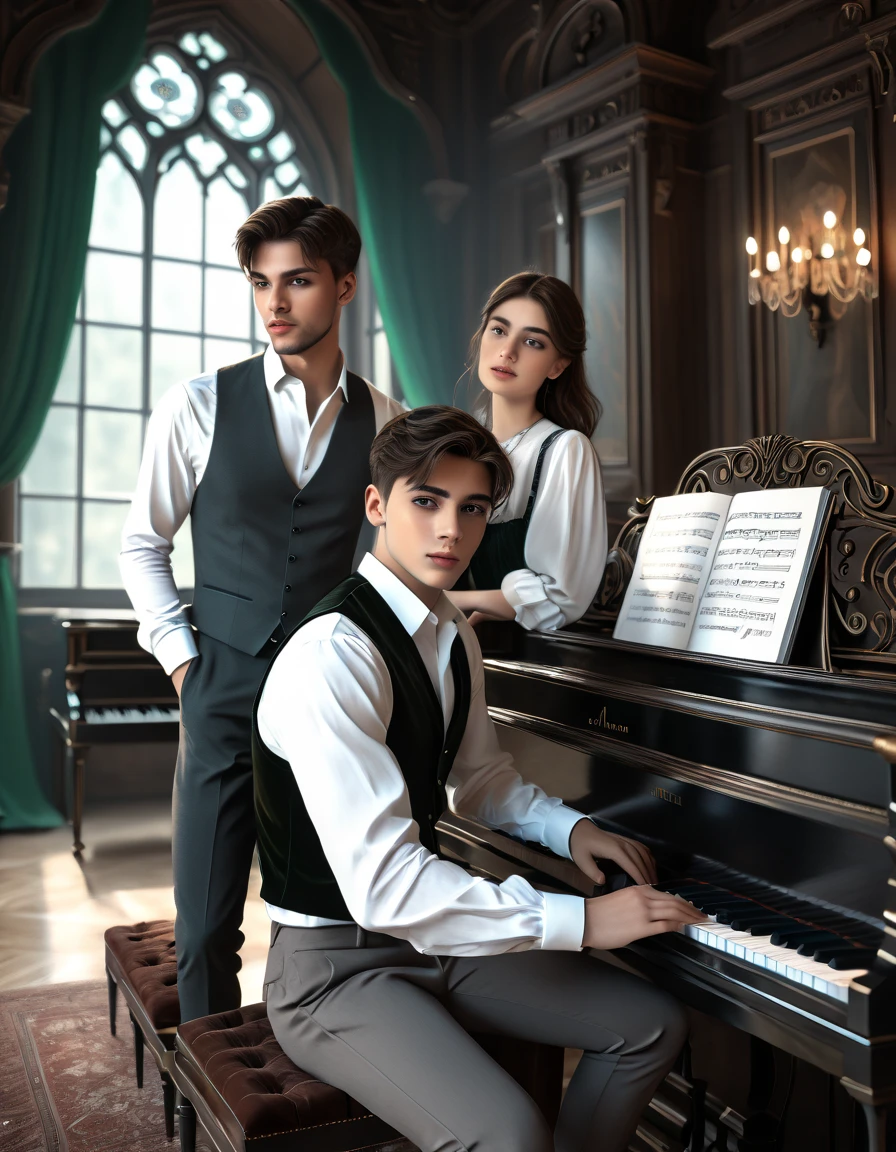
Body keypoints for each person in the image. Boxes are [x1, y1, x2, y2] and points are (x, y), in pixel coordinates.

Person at [255, 405, 701, 1152]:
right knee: (508, 1133)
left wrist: (572, 827)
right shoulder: (332, 654)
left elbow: (481, 780)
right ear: (377, 506)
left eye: (472, 509)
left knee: (651, 1024)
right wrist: (582, 923)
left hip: (433, 943)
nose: (450, 531)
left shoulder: (449, 630)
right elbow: (385, 888)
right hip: (334, 965)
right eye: (425, 502)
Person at [119, 196, 403, 1022]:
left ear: (345, 286)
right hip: (219, 683)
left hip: (327, 697)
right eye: (260, 283)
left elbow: (385, 563)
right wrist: (183, 662)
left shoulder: (385, 420)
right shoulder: (197, 404)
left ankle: (314, 1066)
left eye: (299, 282)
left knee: (319, 916)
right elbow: (143, 543)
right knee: (205, 925)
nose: (274, 303)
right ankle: (211, 1107)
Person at [448, 271, 607, 631]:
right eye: (499, 330)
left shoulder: (565, 450)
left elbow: (560, 598)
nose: (508, 351)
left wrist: (454, 601)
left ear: (558, 365)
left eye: (533, 342)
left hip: (526, 665)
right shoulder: (458, 444)